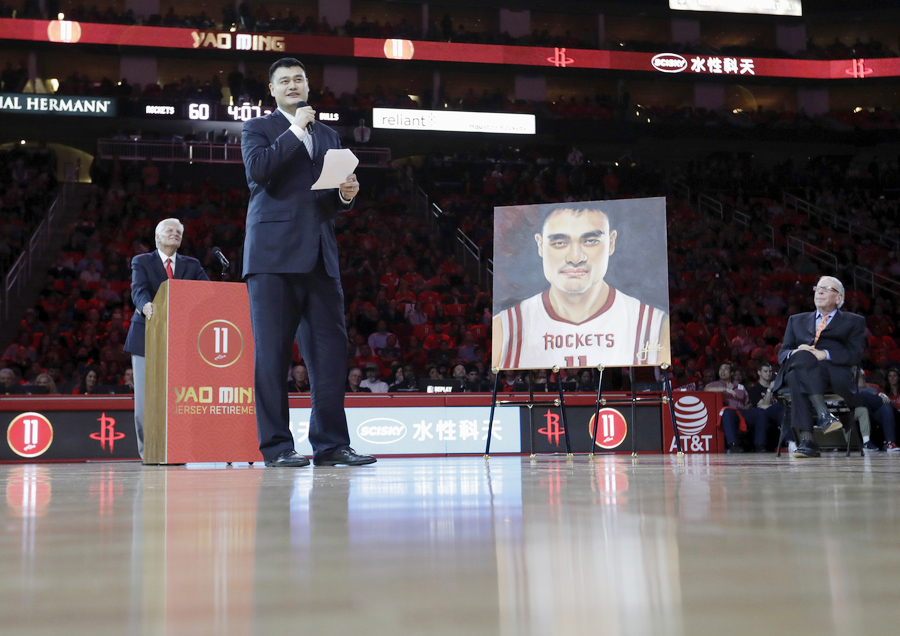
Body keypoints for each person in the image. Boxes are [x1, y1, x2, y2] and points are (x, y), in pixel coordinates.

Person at [241, 57, 374, 468]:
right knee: (273, 356)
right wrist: (296, 128)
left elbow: (324, 199)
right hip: (272, 258)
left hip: (319, 257)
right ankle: (277, 447)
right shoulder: (257, 129)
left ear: (308, 86)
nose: (293, 85)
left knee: (331, 355)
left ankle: (331, 445)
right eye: (285, 81)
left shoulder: (330, 135)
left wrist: (345, 194)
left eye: (299, 78)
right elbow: (260, 171)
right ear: (273, 90)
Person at [492, 205, 669, 370]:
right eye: (560, 243)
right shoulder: (506, 327)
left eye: (590, 241)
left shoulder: (653, 326)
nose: (575, 258)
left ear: (611, 242)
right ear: (540, 245)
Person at [124, 218, 209, 459]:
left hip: (182, 341)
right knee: (145, 401)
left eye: (179, 232)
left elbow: (208, 292)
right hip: (147, 337)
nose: (175, 234)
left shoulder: (192, 265)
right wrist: (146, 305)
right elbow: (138, 289)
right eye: (169, 231)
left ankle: (176, 449)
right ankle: (148, 452)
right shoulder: (142, 261)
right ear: (157, 237)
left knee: (178, 399)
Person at [772, 276, 866, 459]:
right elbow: (782, 353)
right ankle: (824, 415)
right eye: (818, 288)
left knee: (795, 377)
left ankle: (808, 442)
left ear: (838, 298)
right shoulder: (795, 320)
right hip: (802, 365)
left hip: (833, 374)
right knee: (801, 357)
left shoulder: (854, 321)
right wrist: (798, 352)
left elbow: (855, 354)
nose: (820, 291)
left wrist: (825, 354)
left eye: (826, 289)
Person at [704, 361, 770, 453]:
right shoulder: (714, 384)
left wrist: (749, 405)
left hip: (742, 411)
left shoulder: (740, 386)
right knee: (727, 413)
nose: (722, 371)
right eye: (720, 369)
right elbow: (707, 390)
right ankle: (733, 445)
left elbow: (747, 401)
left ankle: (760, 445)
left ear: (731, 373)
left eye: (725, 369)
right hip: (728, 412)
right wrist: (725, 390)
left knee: (760, 413)